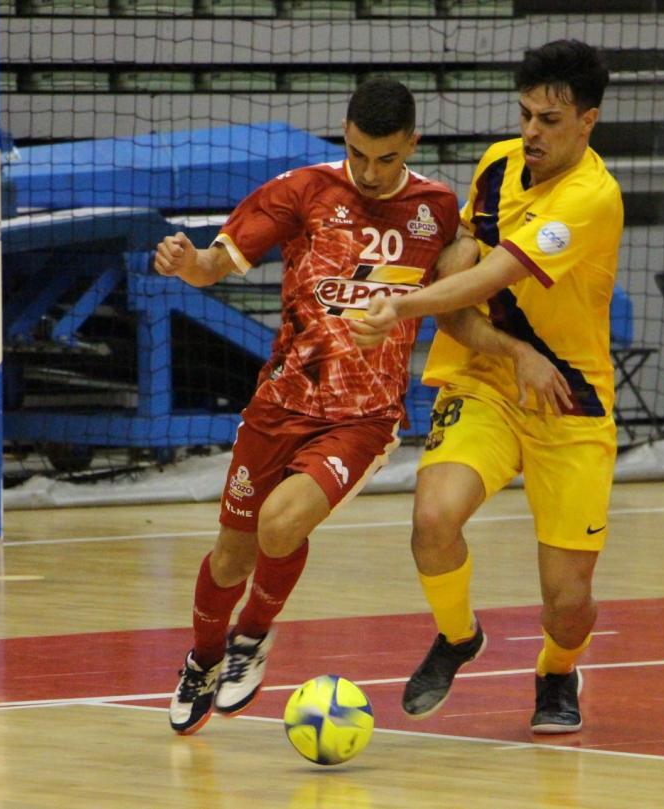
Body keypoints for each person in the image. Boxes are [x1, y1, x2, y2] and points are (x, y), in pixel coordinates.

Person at [153, 78, 461, 735]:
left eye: (386, 158)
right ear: (343, 133)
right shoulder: (305, 190)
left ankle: (252, 637)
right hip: (279, 404)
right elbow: (212, 266)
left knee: (280, 524)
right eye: (358, 154)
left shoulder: (438, 210)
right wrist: (186, 262)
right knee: (231, 556)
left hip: (363, 415)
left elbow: (462, 293)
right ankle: (203, 658)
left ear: (412, 143)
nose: (371, 173)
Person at [350, 40, 623, 733]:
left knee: (569, 601)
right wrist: (444, 267)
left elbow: (498, 273)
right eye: (526, 113)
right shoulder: (499, 164)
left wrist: (401, 305)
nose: (532, 130)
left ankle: (557, 671)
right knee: (433, 519)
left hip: (570, 400)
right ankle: (458, 634)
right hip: (486, 382)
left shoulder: (592, 196)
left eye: (550, 120)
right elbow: (469, 258)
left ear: (587, 121)